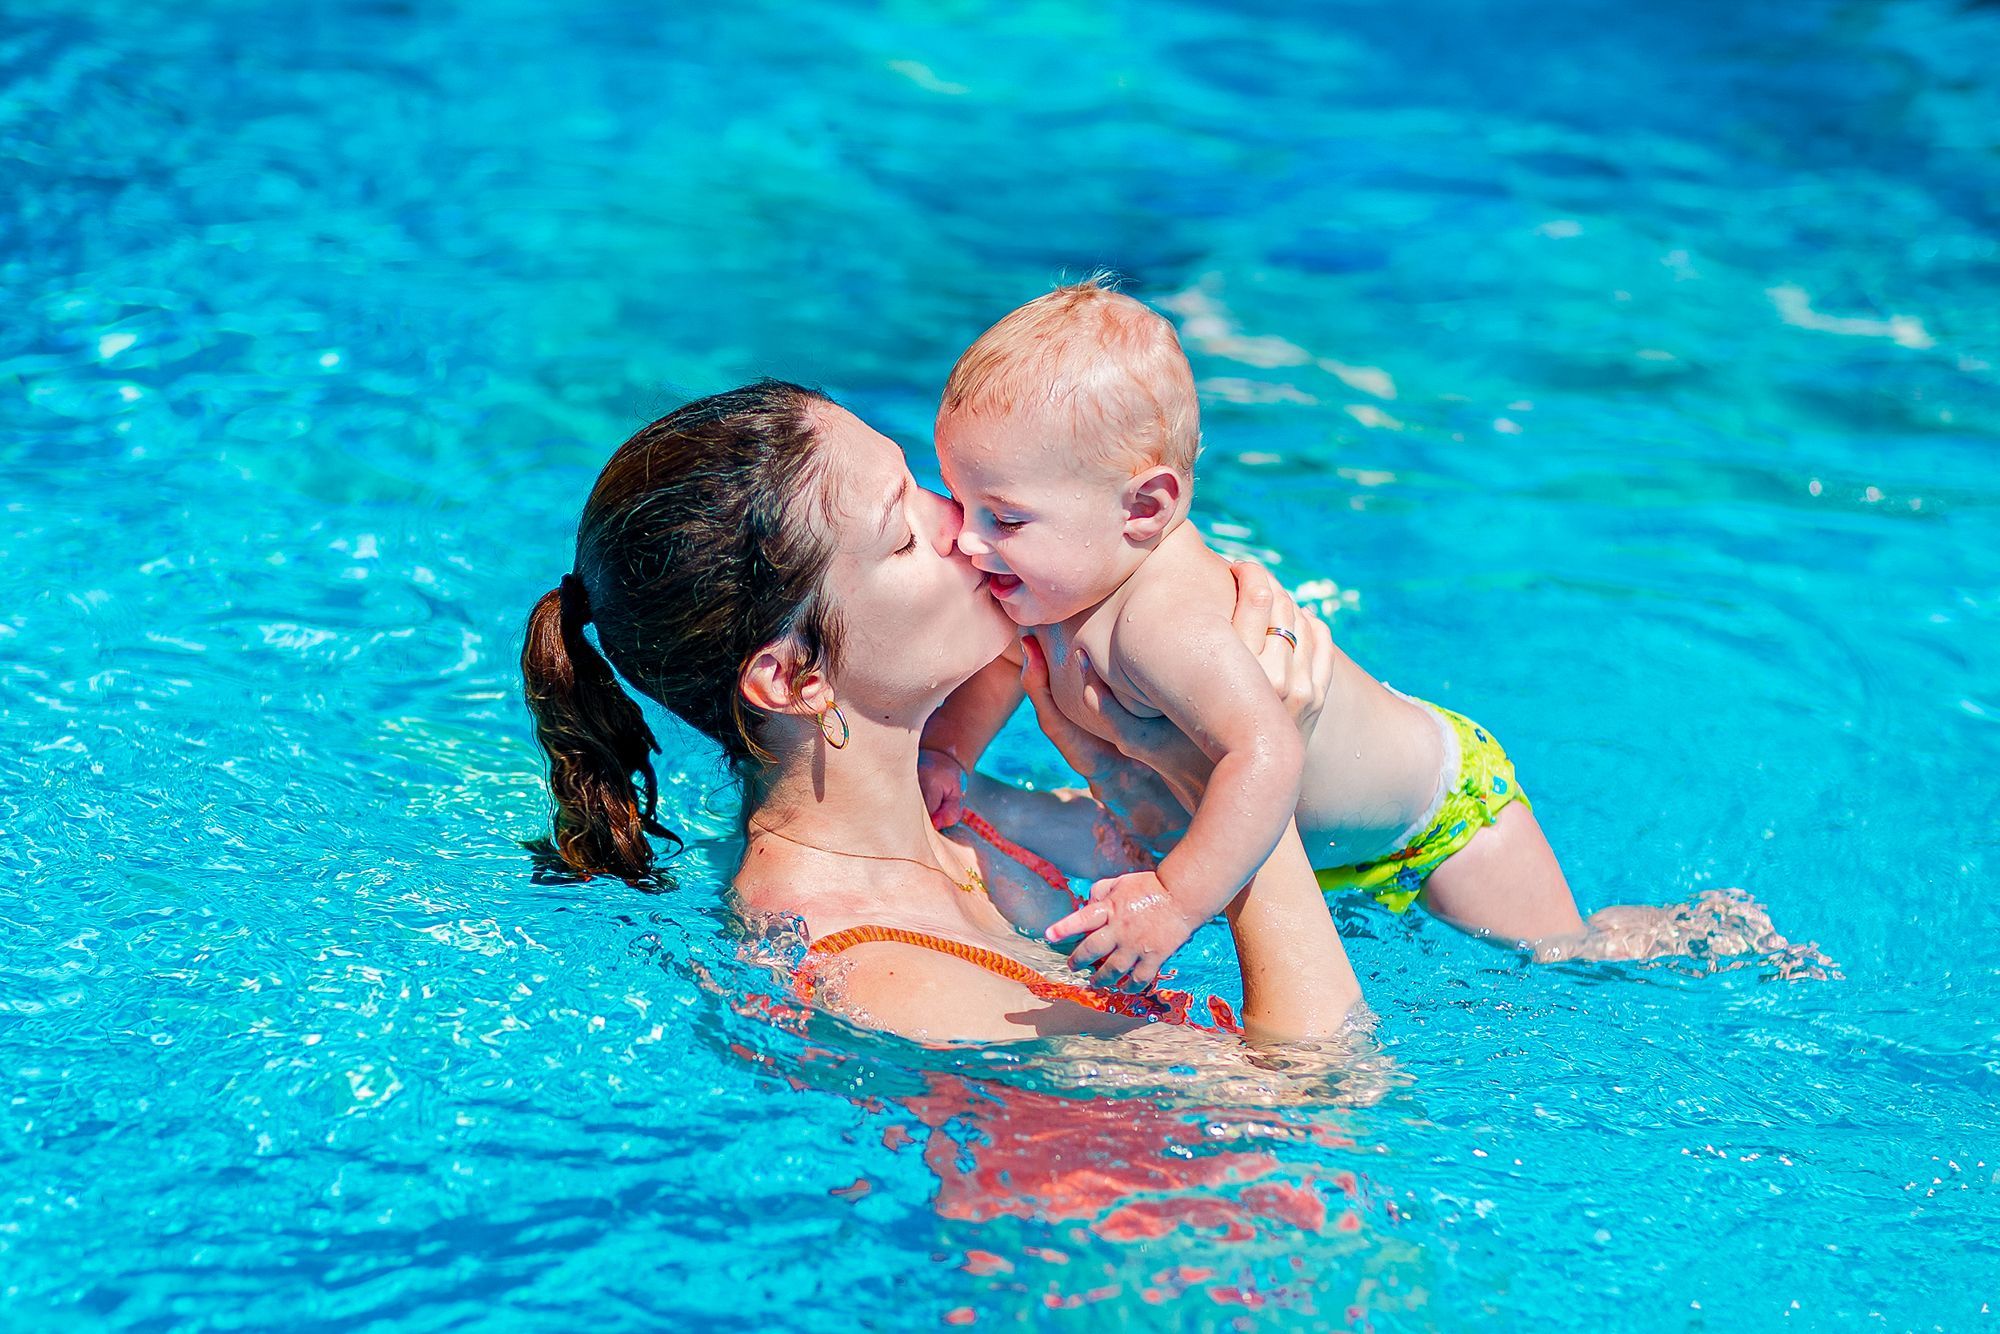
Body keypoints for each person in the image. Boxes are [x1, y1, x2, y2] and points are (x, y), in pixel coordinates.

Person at [520, 379, 1364, 1045]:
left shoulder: (949, 814)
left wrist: (1185, 704)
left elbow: (1165, 856)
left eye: (919, 483)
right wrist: (1250, 757)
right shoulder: (888, 979)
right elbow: (1313, 1098)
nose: (961, 528)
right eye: (903, 535)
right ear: (795, 678)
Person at [918, 277, 1586, 993]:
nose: (968, 540)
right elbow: (997, 665)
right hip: (1285, 839)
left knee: (1569, 967)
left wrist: (1174, 901)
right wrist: (948, 753)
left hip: (1440, 825)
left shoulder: (1159, 623)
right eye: (961, 503)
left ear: (1144, 508)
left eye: (1005, 519)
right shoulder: (1055, 576)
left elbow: (1266, 754)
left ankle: (1672, 933)